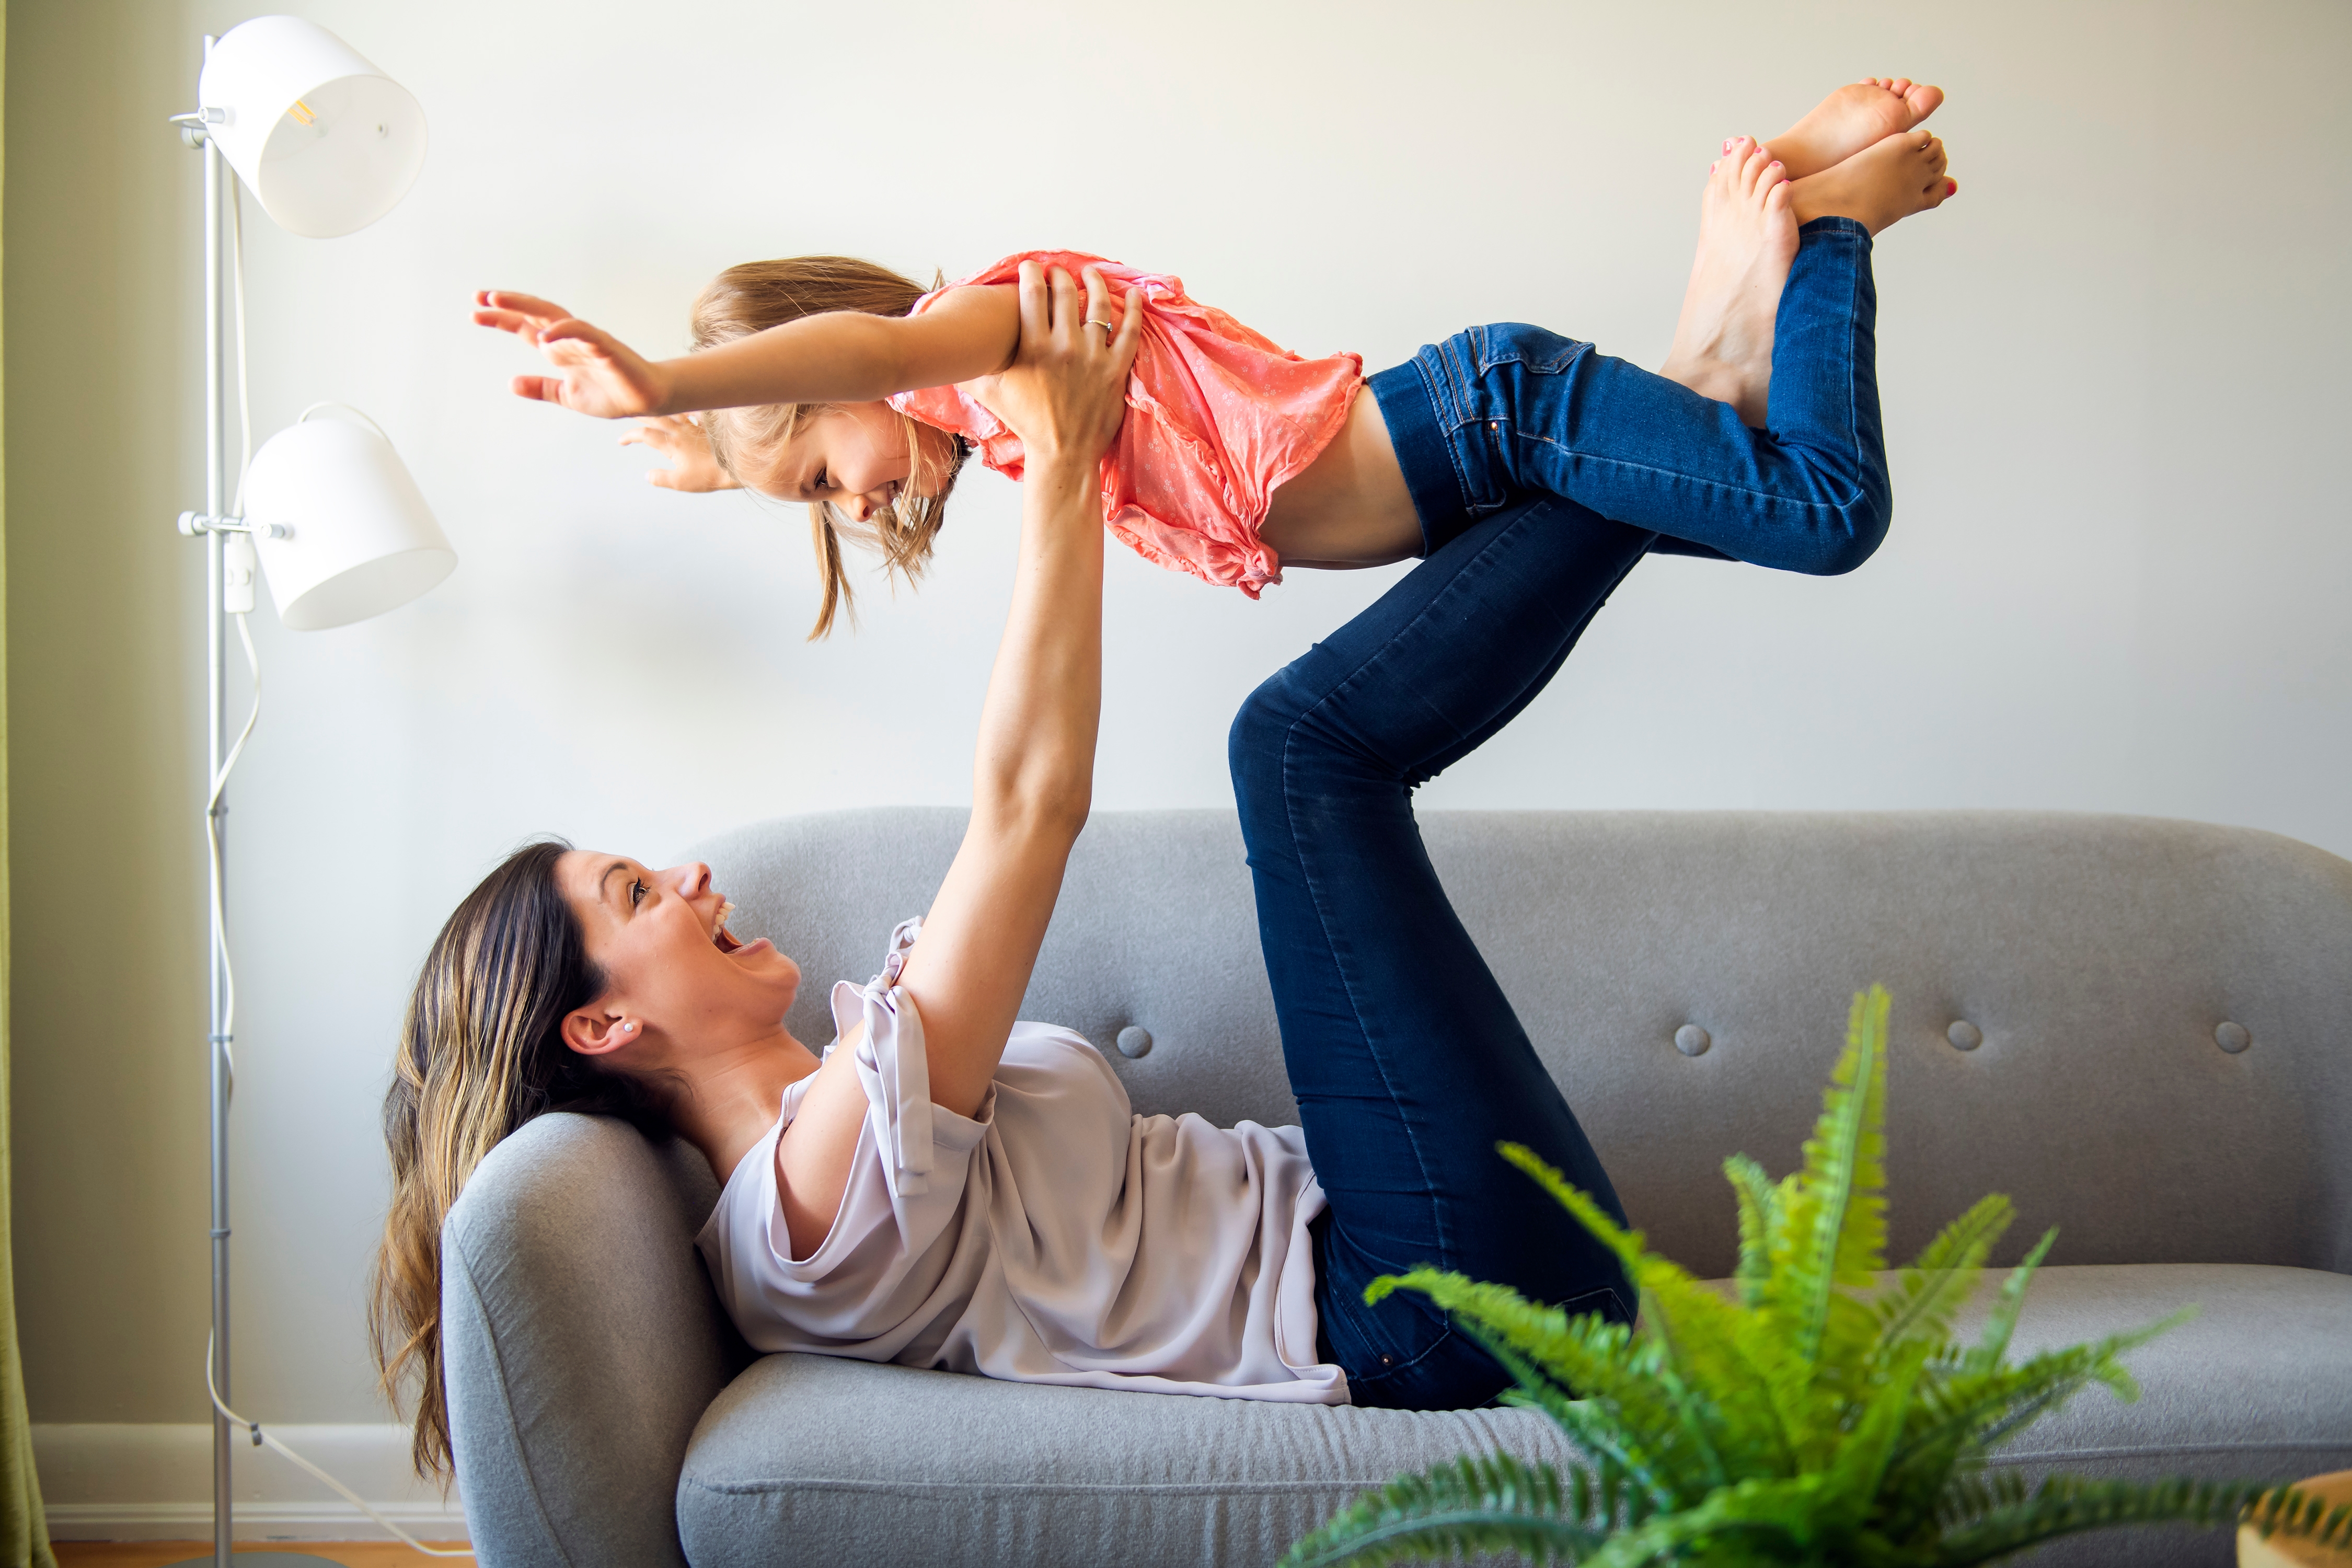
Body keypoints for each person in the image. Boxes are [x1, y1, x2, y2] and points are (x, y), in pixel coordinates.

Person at [377, 82, 1921, 1474]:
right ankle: (1732, 336)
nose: (694, 874)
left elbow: (843, 391)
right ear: (605, 1023)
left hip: (1419, 1226)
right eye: (638, 894)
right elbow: (1023, 803)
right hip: (1419, 1307)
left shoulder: (846, 1114)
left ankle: (1702, 366)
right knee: (1299, 750)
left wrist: (688, 425)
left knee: (1310, 739)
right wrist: (758, 412)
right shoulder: (807, 1193)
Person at [472, 78, 1950, 633]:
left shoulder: (995, 325)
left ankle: (1827, 223)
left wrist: (674, 385)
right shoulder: (1004, 428)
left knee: (1817, 513)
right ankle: (1739, 229)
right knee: (1722, 443)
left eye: (815, 476)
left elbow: (865, 343)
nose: (850, 509)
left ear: (836, 376)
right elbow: (822, 403)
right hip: (1475, 453)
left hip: (1482, 423)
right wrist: (707, 461)